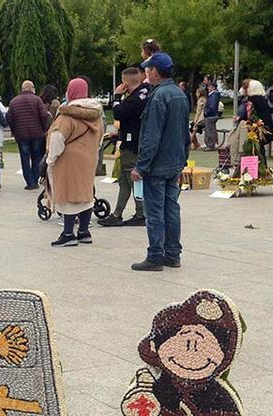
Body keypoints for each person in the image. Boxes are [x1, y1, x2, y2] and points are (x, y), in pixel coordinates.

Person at [130, 51, 190, 272]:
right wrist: (183, 161)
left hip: (157, 166)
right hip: (174, 163)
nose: (146, 74)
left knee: (155, 211)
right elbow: (186, 133)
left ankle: (155, 255)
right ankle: (173, 254)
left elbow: (151, 136)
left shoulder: (158, 96)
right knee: (171, 209)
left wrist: (141, 167)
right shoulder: (179, 94)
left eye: (147, 70)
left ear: (154, 72)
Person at [47, 77, 102, 247]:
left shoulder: (67, 116)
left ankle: (68, 233)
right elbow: (100, 138)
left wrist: (51, 158)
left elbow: (57, 138)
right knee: (86, 194)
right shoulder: (96, 115)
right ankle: (84, 232)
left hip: (68, 160)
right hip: (89, 158)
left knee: (68, 195)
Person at [100, 67, 148, 227]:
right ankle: (118, 213)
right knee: (125, 180)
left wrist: (117, 96)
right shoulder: (144, 93)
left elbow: (119, 113)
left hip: (132, 143)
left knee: (132, 178)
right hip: (134, 141)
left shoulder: (135, 98)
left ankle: (141, 213)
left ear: (125, 83)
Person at [6, 80, 51, 190]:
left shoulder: (13, 102)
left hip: (21, 135)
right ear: (31, 88)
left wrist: (14, 130)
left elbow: (9, 118)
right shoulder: (37, 100)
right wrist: (44, 128)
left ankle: (29, 182)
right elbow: (44, 115)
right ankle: (35, 179)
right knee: (36, 157)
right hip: (37, 134)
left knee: (24, 158)